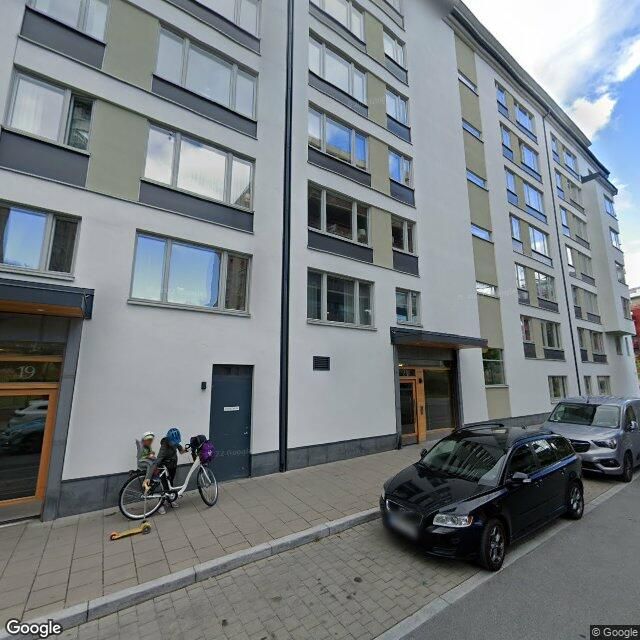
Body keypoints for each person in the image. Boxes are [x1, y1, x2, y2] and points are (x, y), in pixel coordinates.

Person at [143, 427, 184, 515]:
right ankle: (160, 505)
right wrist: (148, 476)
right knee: (164, 486)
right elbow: (158, 460)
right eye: (173, 442)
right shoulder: (164, 446)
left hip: (173, 465)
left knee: (170, 484)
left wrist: (187, 449)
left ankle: (170, 500)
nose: (175, 444)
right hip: (164, 467)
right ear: (169, 439)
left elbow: (181, 450)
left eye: (176, 442)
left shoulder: (175, 442)